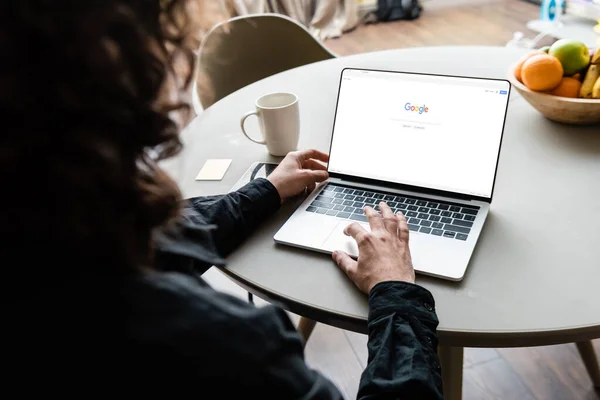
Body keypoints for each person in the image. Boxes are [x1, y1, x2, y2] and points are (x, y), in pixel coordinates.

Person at [1, 1, 442, 398]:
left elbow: (158, 240)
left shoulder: (46, 228)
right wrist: (395, 293)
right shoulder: (225, 349)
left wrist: (265, 191)